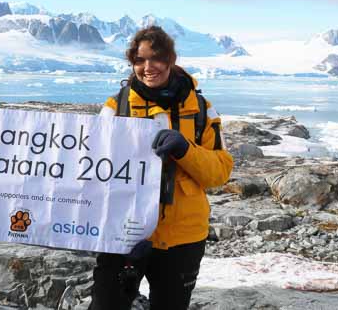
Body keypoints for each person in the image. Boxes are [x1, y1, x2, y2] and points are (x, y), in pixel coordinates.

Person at [90, 25, 234, 310]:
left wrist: (185, 150)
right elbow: (91, 169)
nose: (148, 67)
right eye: (139, 60)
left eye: (156, 58)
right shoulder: (115, 108)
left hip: (182, 237)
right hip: (124, 233)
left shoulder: (202, 109)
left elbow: (219, 173)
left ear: (171, 60)